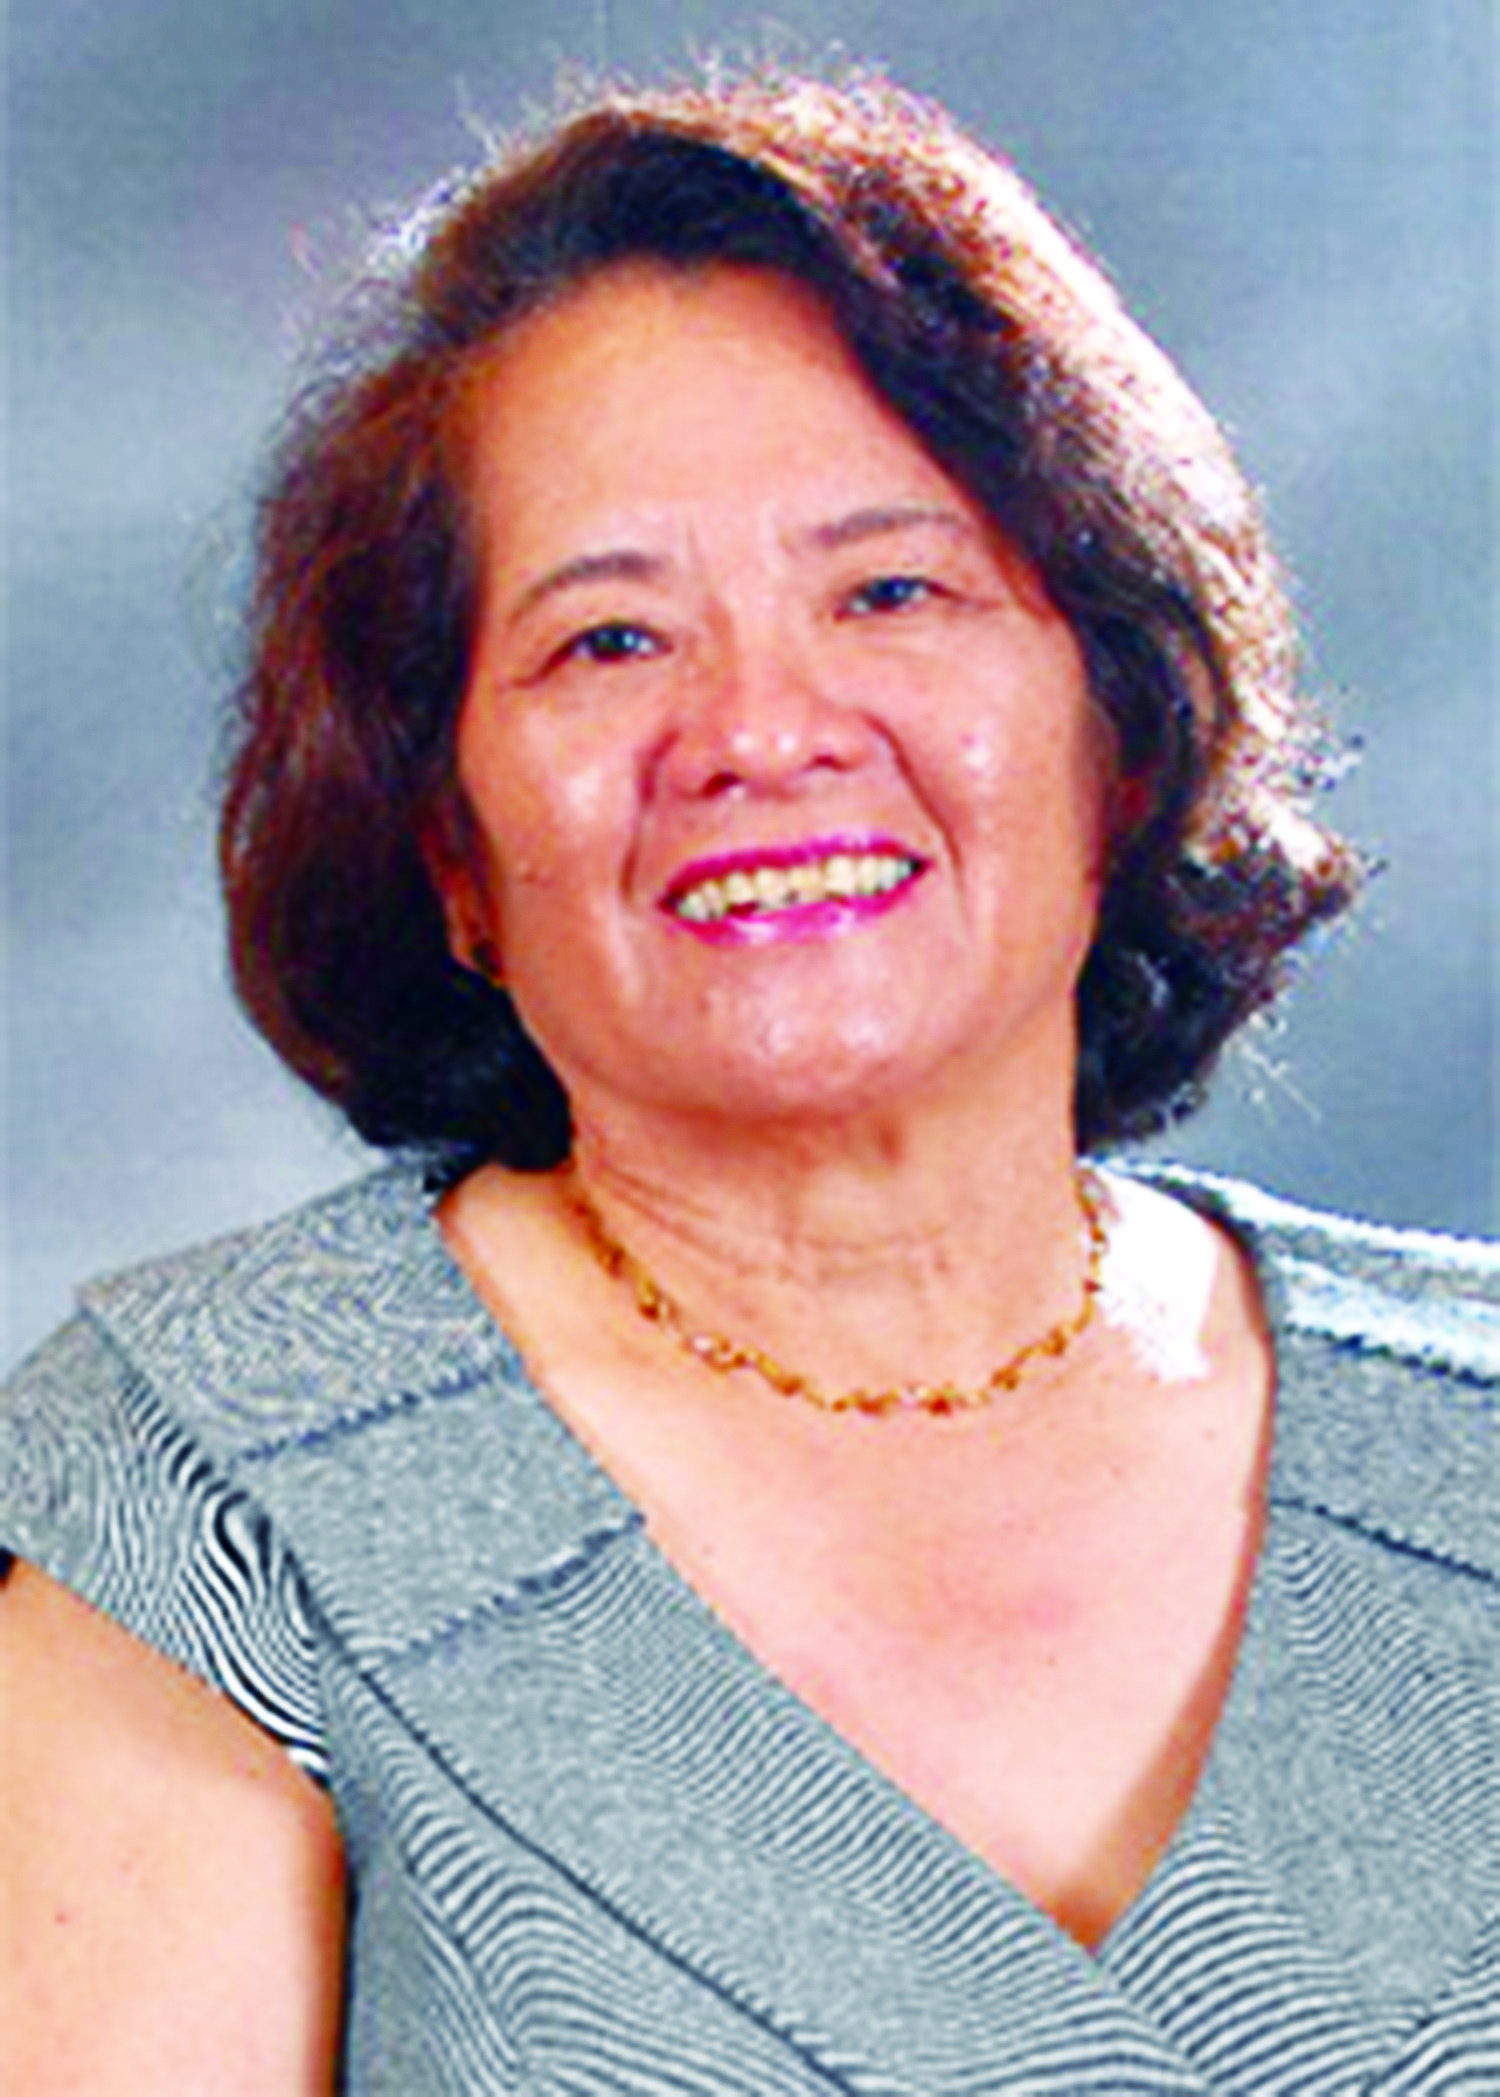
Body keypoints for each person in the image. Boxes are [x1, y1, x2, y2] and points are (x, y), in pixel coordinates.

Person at [2, 64, 1495, 2095]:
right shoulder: (211, 1495)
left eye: (891, 592)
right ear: (449, 847)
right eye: (609, 642)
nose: (762, 732)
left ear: (1124, 734)